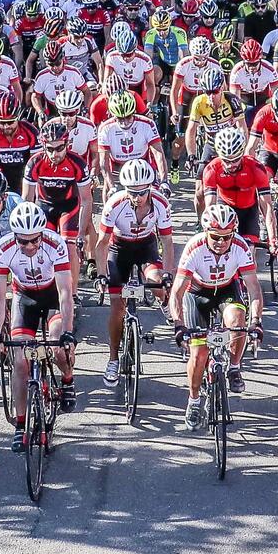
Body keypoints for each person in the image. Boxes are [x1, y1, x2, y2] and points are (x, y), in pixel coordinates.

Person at [0, 200, 77, 442]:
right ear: (14, 236)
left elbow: (66, 293)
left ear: (42, 233)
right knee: (20, 362)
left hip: (52, 295)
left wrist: (67, 331)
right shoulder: (2, 248)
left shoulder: (55, 244)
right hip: (23, 297)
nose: (30, 245)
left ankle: (67, 380)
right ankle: (20, 424)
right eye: (23, 241)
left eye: (35, 240)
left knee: (59, 346)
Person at [168, 204, 261, 418]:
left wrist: (256, 321)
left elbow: (254, 289)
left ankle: (234, 367)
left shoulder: (240, 246)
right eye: (216, 237)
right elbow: (177, 293)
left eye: (226, 237)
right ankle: (193, 401)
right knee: (199, 353)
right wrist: (178, 324)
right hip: (197, 293)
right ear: (206, 233)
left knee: (238, 322)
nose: (221, 242)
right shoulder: (195, 247)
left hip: (226, 289)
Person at [94, 161, 172, 386]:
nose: (136, 197)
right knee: (117, 306)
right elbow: (101, 243)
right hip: (119, 249)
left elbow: (166, 241)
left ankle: (165, 304)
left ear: (150, 188)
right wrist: (101, 274)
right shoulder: (115, 203)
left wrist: (167, 274)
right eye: (131, 192)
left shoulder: (160, 203)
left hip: (146, 246)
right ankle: (113, 359)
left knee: (157, 284)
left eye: (141, 192)